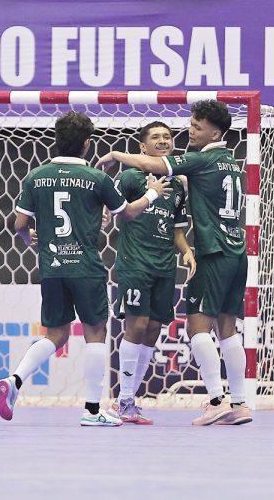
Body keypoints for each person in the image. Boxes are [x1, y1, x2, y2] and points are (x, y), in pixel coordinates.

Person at [0, 111, 171, 426]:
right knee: (95, 333)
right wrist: (152, 193)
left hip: (51, 267)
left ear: (57, 140)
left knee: (56, 334)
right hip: (86, 267)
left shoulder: (35, 176)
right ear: (87, 144)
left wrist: (28, 239)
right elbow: (128, 213)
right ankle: (92, 411)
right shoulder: (96, 178)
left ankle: (15, 379)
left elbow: (20, 224)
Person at [97, 100, 252, 426]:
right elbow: (117, 206)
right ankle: (239, 402)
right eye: (191, 125)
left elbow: (155, 166)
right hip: (235, 253)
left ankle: (216, 401)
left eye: (196, 127)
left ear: (215, 133)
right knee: (226, 328)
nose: (189, 131)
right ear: (143, 143)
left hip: (213, 253)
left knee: (198, 327)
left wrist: (115, 154)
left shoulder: (199, 163)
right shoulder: (230, 163)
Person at [108, 122, 196, 425]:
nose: (163, 140)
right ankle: (124, 400)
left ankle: (129, 400)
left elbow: (177, 229)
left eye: (167, 137)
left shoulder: (178, 185)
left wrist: (186, 251)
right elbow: (116, 209)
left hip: (164, 266)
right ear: (143, 147)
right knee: (137, 324)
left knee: (154, 328)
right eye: (155, 137)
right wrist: (149, 194)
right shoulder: (130, 177)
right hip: (135, 263)